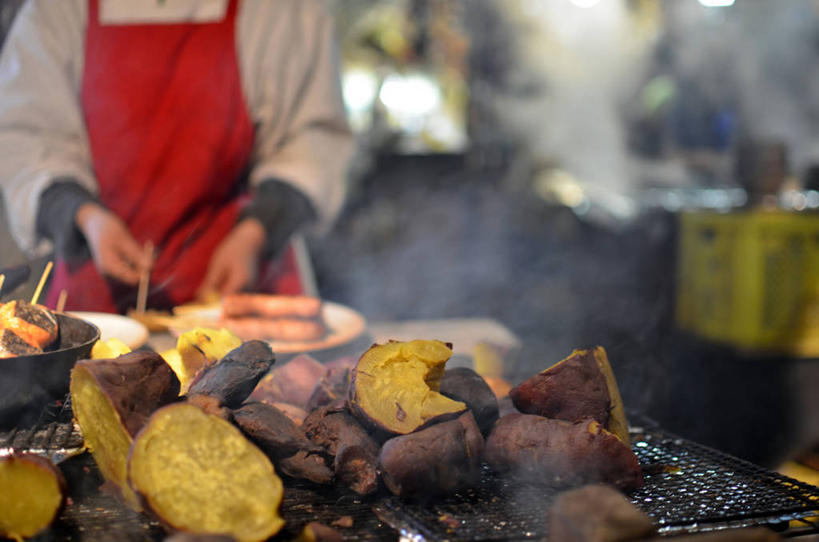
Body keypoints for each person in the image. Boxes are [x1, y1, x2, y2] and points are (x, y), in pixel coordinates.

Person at [0, 0, 353, 313]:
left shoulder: (280, 10)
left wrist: (255, 232)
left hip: (242, 291)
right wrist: (88, 217)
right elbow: (26, 139)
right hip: (97, 293)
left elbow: (313, 141)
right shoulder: (56, 9)